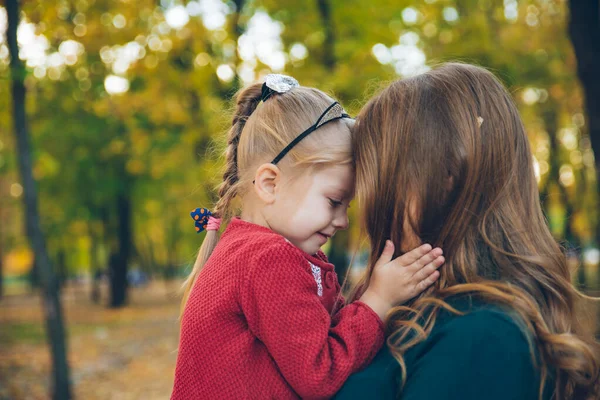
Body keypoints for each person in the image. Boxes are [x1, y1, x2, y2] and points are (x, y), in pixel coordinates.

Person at [335, 63, 600, 400]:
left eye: (378, 176)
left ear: (447, 176)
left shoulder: (481, 335)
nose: (363, 201)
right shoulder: (420, 308)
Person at [171, 74, 444, 399]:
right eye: (333, 201)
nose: (343, 221)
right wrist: (379, 300)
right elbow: (320, 374)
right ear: (270, 184)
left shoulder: (246, 250)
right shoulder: (268, 258)